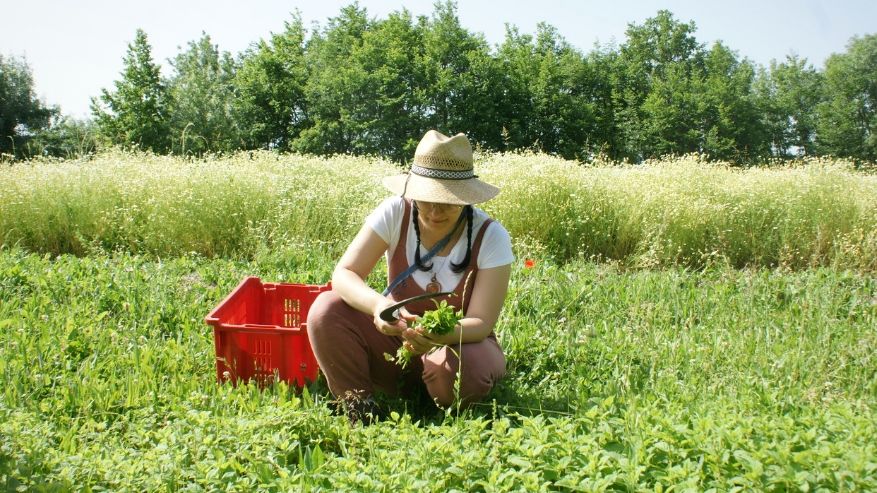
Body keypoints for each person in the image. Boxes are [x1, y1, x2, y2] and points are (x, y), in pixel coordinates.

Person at [306, 130, 514, 423]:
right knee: (325, 310)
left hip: (458, 344)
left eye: (448, 200)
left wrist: (437, 335)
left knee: (468, 370)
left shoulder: (490, 236)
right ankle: (358, 405)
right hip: (396, 342)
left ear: (466, 197)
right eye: (427, 197)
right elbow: (345, 274)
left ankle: (439, 395)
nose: (434, 210)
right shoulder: (395, 212)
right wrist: (379, 307)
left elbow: (480, 322)